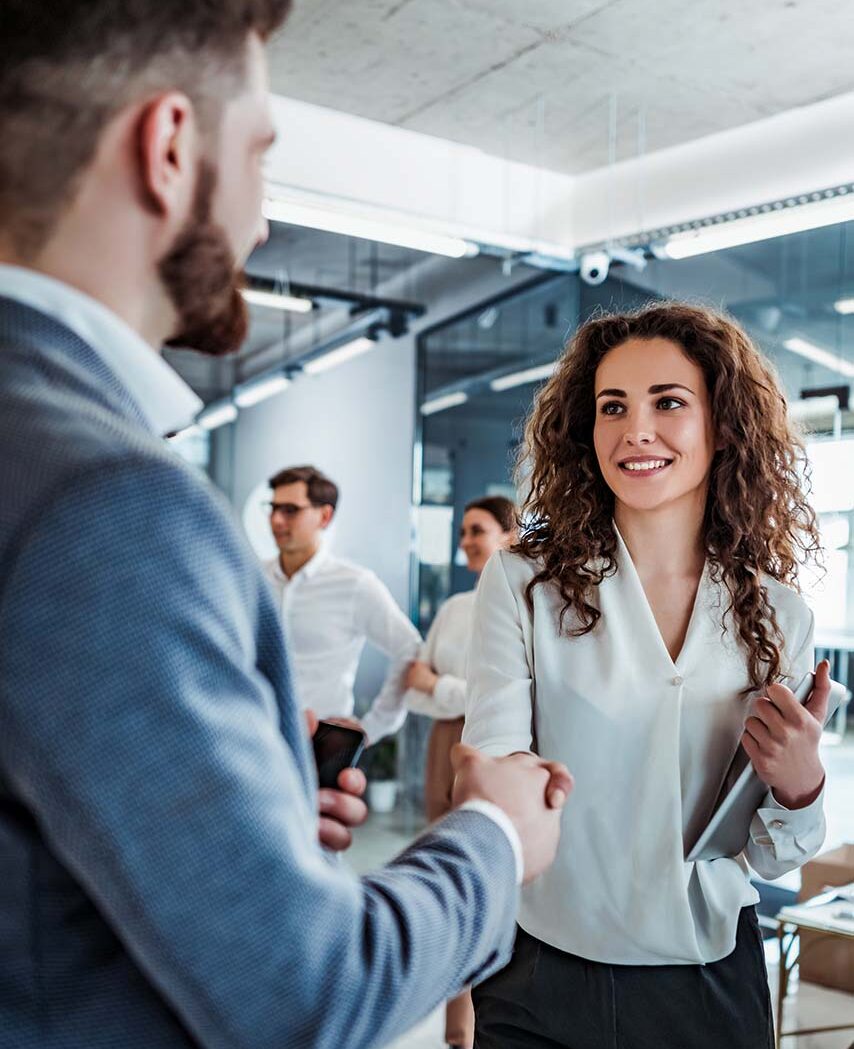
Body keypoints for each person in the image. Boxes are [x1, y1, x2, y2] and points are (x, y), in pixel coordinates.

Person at [0, 5, 575, 1049]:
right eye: (259, 157)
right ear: (169, 147)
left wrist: (231, 842)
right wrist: (493, 834)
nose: (261, 222)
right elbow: (302, 993)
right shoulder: (109, 504)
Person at [464, 302, 832, 1049]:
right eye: (612, 407)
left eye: (668, 402)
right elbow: (497, 778)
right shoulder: (521, 584)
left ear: (722, 425)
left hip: (703, 980)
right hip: (540, 975)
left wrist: (801, 784)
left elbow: (767, 852)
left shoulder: (778, 614)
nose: (636, 430)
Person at [403, 494, 517, 1049]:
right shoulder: (453, 609)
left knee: (488, 885)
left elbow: (484, 698)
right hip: (443, 751)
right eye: (464, 532)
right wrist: (445, 694)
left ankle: (484, 1028)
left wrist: (440, 688)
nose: (466, 542)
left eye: (477, 531)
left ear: (509, 535)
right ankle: (456, 1033)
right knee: (449, 885)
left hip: (491, 756)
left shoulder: (524, 601)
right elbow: (414, 687)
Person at [264, 464, 420, 744]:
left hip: (320, 744)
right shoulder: (253, 578)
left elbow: (409, 648)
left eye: (290, 510)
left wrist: (373, 727)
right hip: (254, 734)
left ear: (324, 516)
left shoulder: (355, 584)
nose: (276, 520)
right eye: (273, 508)